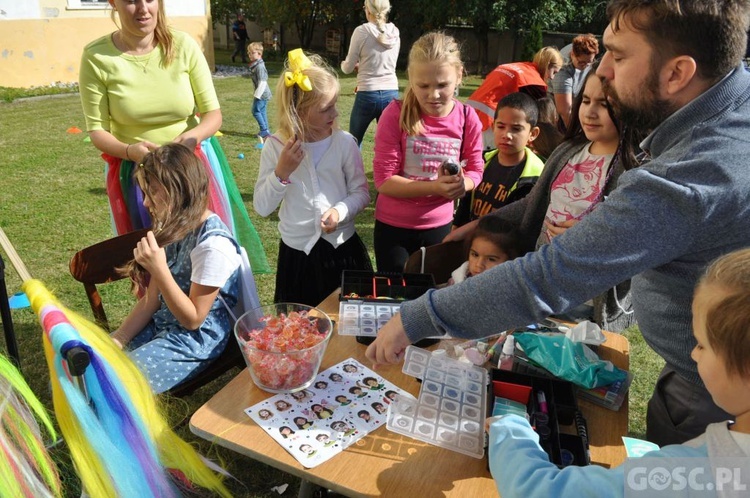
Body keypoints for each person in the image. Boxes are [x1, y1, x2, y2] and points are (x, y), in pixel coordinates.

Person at [366, 0, 750, 447]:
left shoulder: (691, 176)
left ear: (677, 73)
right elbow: (537, 208)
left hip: (715, 395)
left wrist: (418, 316)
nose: (602, 70)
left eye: (619, 55)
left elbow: (550, 276)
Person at [487, 248, 750, 497]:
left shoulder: (694, 474)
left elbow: (540, 491)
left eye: (702, 344)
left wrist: (510, 431)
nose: (693, 353)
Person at [78, 0, 269, 274]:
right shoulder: (97, 57)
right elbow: (97, 132)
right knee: (152, 265)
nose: (143, 9)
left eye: (150, 0)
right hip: (138, 177)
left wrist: (190, 140)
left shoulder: (184, 45)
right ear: (113, 3)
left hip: (190, 167)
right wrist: (132, 151)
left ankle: (206, 313)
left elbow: (213, 115)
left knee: (204, 258)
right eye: (131, 1)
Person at [110, 143, 242, 394]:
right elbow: (150, 301)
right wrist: (119, 338)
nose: (146, 203)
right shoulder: (174, 228)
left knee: (117, 385)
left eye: (152, 193)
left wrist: (159, 269)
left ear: (179, 191)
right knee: (96, 365)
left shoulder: (212, 246)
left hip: (194, 341)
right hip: (164, 325)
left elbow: (193, 320)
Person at [254, 49, 372, 306]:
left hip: (341, 251)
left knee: (346, 325)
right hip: (298, 256)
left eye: (335, 105)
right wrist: (281, 173)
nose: (335, 114)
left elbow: (361, 193)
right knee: (302, 329)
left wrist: (339, 212)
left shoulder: (344, 143)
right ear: (298, 111)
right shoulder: (276, 146)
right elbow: (262, 207)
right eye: (326, 109)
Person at [373, 31, 484, 273]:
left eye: (442, 85)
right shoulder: (395, 114)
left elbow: (476, 169)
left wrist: (462, 184)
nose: (433, 95)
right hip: (393, 229)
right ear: (410, 77)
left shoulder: (467, 118)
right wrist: (435, 187)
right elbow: (384, 181)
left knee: (433, 297)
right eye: (423, 85)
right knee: (394, 299)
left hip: (439, 227)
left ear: (459, 75)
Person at [453, 92, 544, 227]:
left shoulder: (536, 177)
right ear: (493, 126)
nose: (506, 135)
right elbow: (465, 205)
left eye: (516, 129)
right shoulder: (481, 160)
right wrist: (456, 227)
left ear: (533, 134)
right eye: (501, 126)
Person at [467, 47, 563, 149]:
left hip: (471, 112)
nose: (552, 77)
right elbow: (538, 114)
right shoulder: (534, 82)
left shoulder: (517, 67)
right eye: (554, 72)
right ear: (548, 65)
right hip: (491, 119)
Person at [340, 0, 400, 146]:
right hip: (391, 92)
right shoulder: (395, 32)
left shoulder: (361, 31)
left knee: (354, 141)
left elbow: (347, 68)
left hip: (367, 92)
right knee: (388, 143)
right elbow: (387, 63)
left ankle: (354, 169)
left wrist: (344, 64)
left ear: (367, 10)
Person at [450, 217, 523, 284]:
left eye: (491, 259)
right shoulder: (457, 278)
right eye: (475, 255)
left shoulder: (509, 290)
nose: (479, 265)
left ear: (510, 260)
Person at [552, 34, 599, 129]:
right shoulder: (562, 68)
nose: (586, 66)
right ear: (572, 54)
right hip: (557, 111)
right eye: (582, 62)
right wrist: (573, 134)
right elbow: (565, 111)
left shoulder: (584, 52)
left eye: (589, 62)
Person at [247, 41, 272, 144]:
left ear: (259, 54)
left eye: (252, 53)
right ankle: (266, 131)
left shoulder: (260, 66)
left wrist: (257, 95)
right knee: (262, 111)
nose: (250, 55)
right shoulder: (256, 65)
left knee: (255, 111)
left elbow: (263, 81)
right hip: (261, 93)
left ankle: (264, 130)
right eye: (249, 53)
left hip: (262, 93)